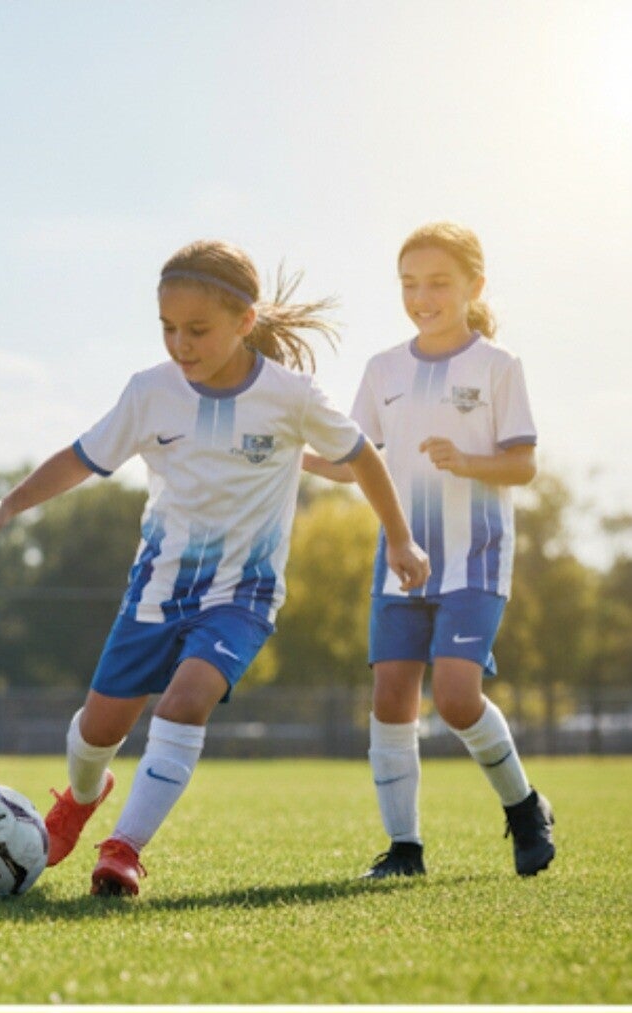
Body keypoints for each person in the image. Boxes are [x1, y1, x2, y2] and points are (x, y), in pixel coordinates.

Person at [0, 240, 430, 897]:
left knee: (186, 701)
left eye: (196, 329)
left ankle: (121, 848)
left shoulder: (290, 396)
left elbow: (361, 457)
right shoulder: (148, 392)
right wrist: (9, 503)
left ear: (244, 322)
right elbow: (82, 456)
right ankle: (81, 794)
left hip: (243, 595)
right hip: (154, 592)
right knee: (98, 729)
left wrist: (402, 539)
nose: (179, 344)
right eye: (166, 329)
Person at [303, 221, 553, 879]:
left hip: (475, 559)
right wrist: (295, 458)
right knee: (390, 698)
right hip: (400, 561)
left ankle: (524, 807)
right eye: (409, 284)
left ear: (474, 284)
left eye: (438, 282)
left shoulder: (498, 366)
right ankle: (404, 849)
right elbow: (354, 460)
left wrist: (467, 461)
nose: (422, 296)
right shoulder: (382, 369)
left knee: (455, 697)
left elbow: (523, 464)